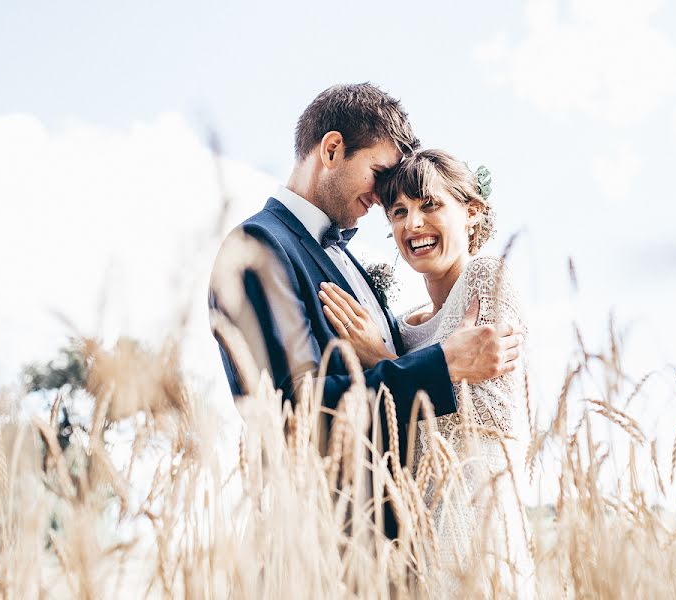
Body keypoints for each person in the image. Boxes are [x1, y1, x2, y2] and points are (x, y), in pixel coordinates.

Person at [208, 84, 522, 537]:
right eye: (378, 172)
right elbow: (291, 413)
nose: (381, 196)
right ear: (333, 149)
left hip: (414, 544)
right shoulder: (257, 246)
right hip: (330, 546)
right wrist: (443, 364)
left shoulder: (347, 260)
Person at [318, 149, 534, 595]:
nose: (412, 224)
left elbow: (496, 412)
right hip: (416, 536)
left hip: (478, 524)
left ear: (472, 213)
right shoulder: (402, 326)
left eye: (429, 205)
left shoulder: (486, 275)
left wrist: (382, 362)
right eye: (399, 212)